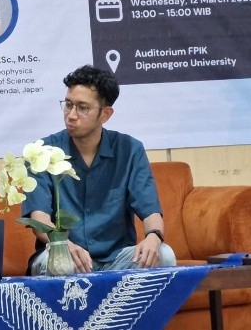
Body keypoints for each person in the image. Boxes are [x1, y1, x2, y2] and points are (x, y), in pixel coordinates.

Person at [22, 65, 176, 276]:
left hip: (117, 259)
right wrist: (62, 244)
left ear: (105, 114)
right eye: (68, 105)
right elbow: (39, 217)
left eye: (82, 108)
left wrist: (153, 237)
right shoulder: (42, 151)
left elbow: (151, 211)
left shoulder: (130, 150)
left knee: (165, 254)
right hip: (63, 253)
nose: (71, 115)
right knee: (61, 263)